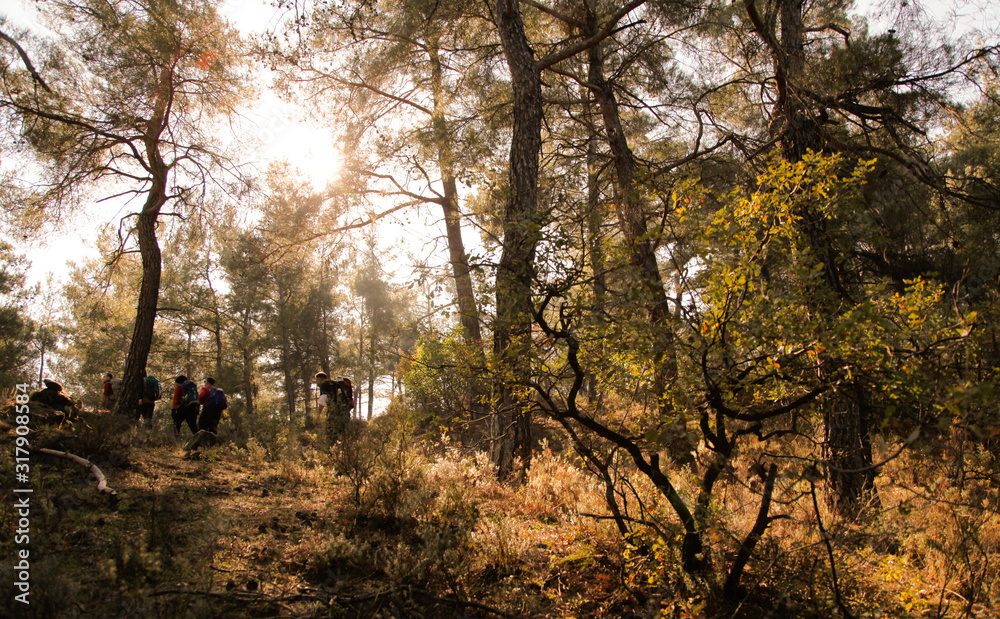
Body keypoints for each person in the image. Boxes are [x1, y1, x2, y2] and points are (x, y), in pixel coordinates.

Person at [315, 372, 352, 442]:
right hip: (345, 413)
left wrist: (318, 416)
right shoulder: (336, 384)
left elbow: (323, 399)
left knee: (331, 436)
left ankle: (332, 451)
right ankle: (345, 450)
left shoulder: (324, 385)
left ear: (319, 379)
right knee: (344, 436)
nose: (316, 383)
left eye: (316, 381)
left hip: (335, 414)